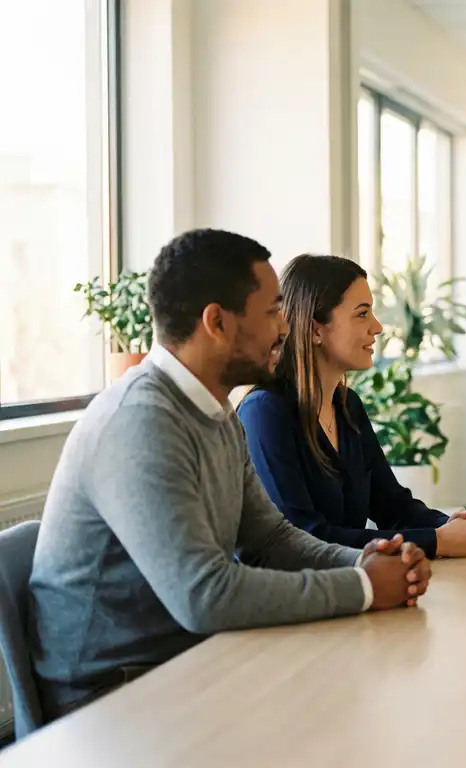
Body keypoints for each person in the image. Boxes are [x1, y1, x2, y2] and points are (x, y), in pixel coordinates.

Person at [27, 229, 431, 722]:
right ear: (216, 322)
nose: (285, 328)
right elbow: (204, 596)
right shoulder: (142, 421)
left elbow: (271, 540)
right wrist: (365, 587)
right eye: (270, 313)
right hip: (112, 696)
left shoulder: (214, 409)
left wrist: (366, 560)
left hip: (187, 658)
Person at [236, 254, 466, 559]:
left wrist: (453, 525)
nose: (377, 327)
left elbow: (392, 506)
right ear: (316, 329)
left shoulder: (348, 407)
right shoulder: (265, 413)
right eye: (362, 314)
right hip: (286, 599)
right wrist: (436, 541)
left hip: (345, 590)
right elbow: (303, 539)